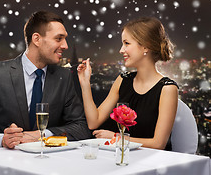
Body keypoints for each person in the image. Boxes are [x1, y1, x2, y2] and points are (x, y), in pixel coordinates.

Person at [0, 11, 91, 149]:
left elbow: (81, 127)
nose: (65, 46)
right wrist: (3, 140)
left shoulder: (64, 77)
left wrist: (41, 135)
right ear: (37, 39)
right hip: (6, 163)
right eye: (59, 39)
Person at [77, 16, 179, 150]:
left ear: (145, 46)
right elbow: (93, 122)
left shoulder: (167, 89)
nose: (121, 50)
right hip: (119, 157)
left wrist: (116, 137)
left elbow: (158, 144)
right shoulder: (122, 80)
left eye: (126, 43)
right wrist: (85, 83)